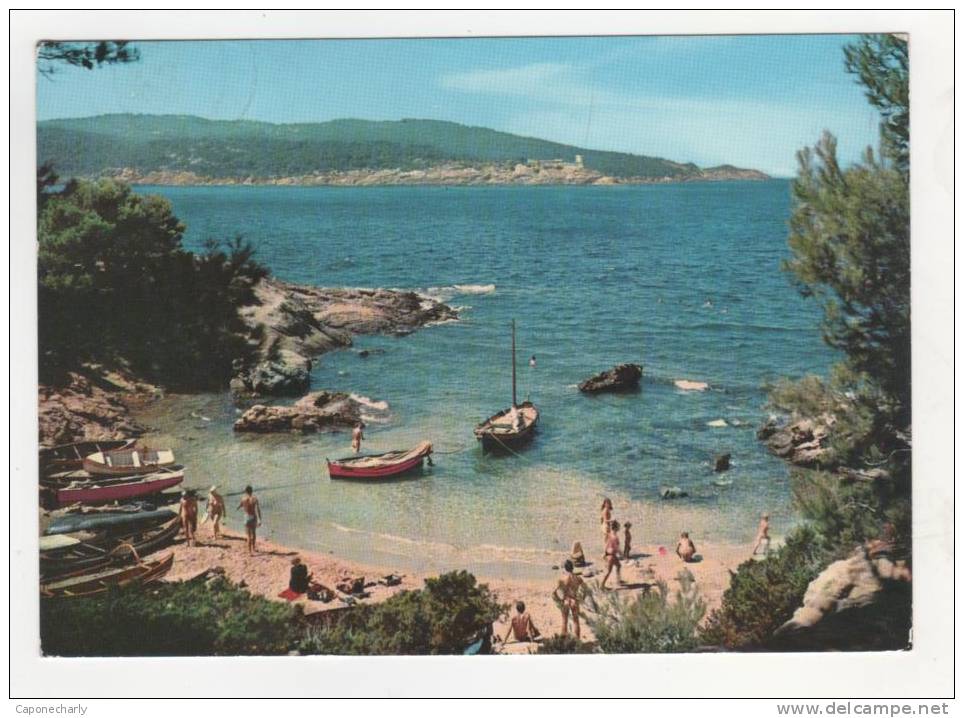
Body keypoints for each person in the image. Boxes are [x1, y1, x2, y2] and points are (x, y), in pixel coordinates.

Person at [553, 560, 585, 639]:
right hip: (574, 600)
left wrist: (559, 599)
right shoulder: (578, 578)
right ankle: (577, 640)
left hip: (566, 600)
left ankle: (564, 639)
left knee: (564, 620)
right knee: (576, 621)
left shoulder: (562, 579)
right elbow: (585, 589)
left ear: (565, 568)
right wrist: (582, 598)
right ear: (572, 568)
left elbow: (554, 592)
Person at [237, 485, 262, 555]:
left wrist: (237, 508)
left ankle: (249, 551)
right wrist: (260, 519)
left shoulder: (243, 498)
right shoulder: (254, 499)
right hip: (253, 517)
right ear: (252, 491)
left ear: (245, 491)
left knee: (248, 535)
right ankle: (253, 548)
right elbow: (257, 509)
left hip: (246, 517)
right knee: (253, 533)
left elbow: (240, 505)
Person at [601, 520, 624, 589]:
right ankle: (602, 585)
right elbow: (617, 548)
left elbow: (606, 545)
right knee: (608, 571)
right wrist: (622, 554)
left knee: (618, 566)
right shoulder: (615, 537)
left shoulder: (609, 534)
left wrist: (604, 553)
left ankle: (618, 580)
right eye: (618, 527)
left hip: (609, 554)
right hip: (612, 555)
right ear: (616, 528)